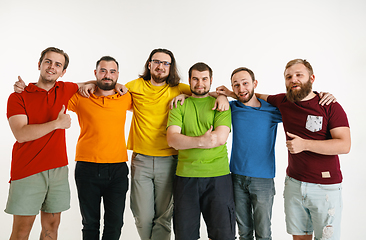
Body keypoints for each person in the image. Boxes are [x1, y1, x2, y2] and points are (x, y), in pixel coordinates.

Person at [125, 48, 228, 240]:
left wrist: (221, 96)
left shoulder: (179, 88)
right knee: (143, 216)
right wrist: (88, 83)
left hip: (169, 159)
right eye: (157, 62)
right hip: (141, 159)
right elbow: (111, 88)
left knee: (164, 217)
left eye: (166, 63)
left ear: (171, 67)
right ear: (149, 64)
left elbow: (203, 93)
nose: (161, 66)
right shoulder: (134, 86)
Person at [257, 59, 351, 240]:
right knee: (299, 238)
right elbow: (257, 96)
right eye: (289, 77)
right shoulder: (283, 101)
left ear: (312, 78)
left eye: (299, 75)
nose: (293, 80)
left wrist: (305, 144)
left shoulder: (330, 106)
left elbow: (344, 145)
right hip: (294, 184)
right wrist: (227, 93)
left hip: (325, 188)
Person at [6, 47, 80, 240]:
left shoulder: (65, 89)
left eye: (58, 64)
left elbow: (91, 84)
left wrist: (119, 85)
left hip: (58, 171)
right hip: (27, 170)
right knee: (21, 231)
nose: (51, 67)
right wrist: (56, 124)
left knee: (51, 229)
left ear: (63, 72)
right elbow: (20, 133)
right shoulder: (18, 96)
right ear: (39, 64)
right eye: (48, 62)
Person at [167, 62, 235, 240]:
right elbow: (172, 139)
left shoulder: (221, 104)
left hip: (218, 177)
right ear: (189, 80)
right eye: (195, 79)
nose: (200, 83)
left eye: (204, 79)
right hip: (185, 177)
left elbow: (219, 138)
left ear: (211, 80)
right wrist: (201, 141)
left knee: (223, 235)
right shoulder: (179, 104)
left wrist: (187, 141)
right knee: (184, 235)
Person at [68, 56, 132, 240]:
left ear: (117, 75)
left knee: (115, 223)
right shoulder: (81, 97)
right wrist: (88, 84)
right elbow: (60, 88)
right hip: (87, 167)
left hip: (118, 168)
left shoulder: (125, 97)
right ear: (95, 73)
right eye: (103, 71)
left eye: (112, 72)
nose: (107, 75)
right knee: (90, 223)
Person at [216, 67, 282, 240]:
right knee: (244, 233)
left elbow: (297, 105)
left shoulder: (272, 111)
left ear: (255, 84)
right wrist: (224, 95)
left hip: (263, 180)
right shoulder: (233, 108)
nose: (241, 88)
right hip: (236, 177)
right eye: (236, 85)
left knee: (263, 233)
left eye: (245, 83)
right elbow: (206, 96)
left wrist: (323, 94)